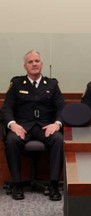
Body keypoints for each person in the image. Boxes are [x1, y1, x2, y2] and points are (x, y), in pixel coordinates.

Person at [1, 50, 65, 201]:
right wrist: (13, 124)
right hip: (23, 127)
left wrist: (56, 124)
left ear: (41, 64)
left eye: (37, 61)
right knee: (11, 141)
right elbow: (6, 108)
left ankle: (54, 184)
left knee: (59, 140)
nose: (34, 64)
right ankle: (17, 183)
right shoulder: (17, 84)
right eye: (30, 62)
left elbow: (62, 107)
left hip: (45, 127)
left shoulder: (52, 84)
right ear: (25, 66)